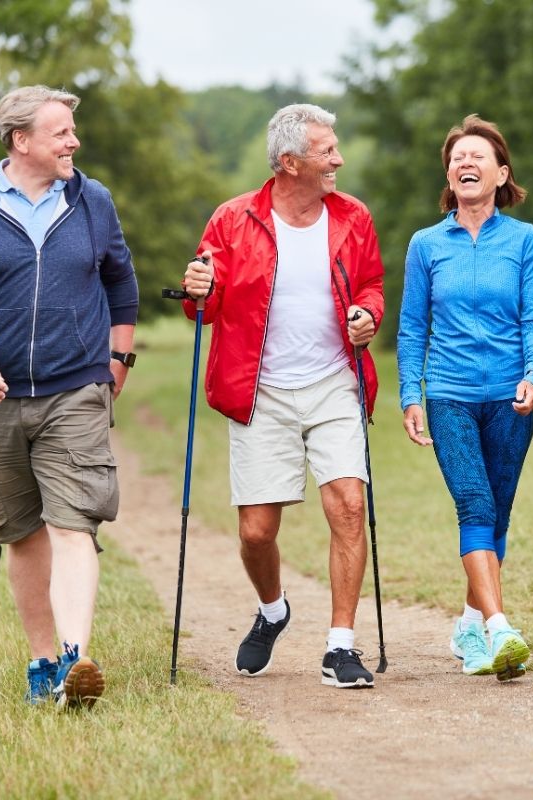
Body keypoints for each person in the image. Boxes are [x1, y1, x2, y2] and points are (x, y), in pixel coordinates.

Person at [0, 85, 139, 707]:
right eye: (62, 132)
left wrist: (118, 360)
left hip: (75, 386)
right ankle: (43, 663)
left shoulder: (91, 200)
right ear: (22, 141)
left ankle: (76, 659)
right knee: (21, 532)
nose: (75, 141)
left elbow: (120, 282)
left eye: (73, 131)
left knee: (75, 524)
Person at [181, 104, 384, 689]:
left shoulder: (352, 217)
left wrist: (367, 316)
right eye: (327, 151)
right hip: (259, 391)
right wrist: (198, 288)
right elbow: (206, 305)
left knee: (348, 502)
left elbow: (370, 284)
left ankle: (340, 645)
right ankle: (273, 610)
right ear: (289, 162)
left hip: (332, 384)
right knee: (256, 533)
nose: (338, 159)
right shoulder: (232, 219)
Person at [397, 115, 533, 681]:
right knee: (474, 504)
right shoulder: (426, 244)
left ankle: (469, 623)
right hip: (450, 394)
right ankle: (500, 626)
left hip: (511, 397)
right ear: (449, 173)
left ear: (501, 173)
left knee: (498, 513)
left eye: (477, 156)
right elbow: (412, 327)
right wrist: (409, 394)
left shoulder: (525, 240)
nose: (465, 162)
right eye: (457, 156)